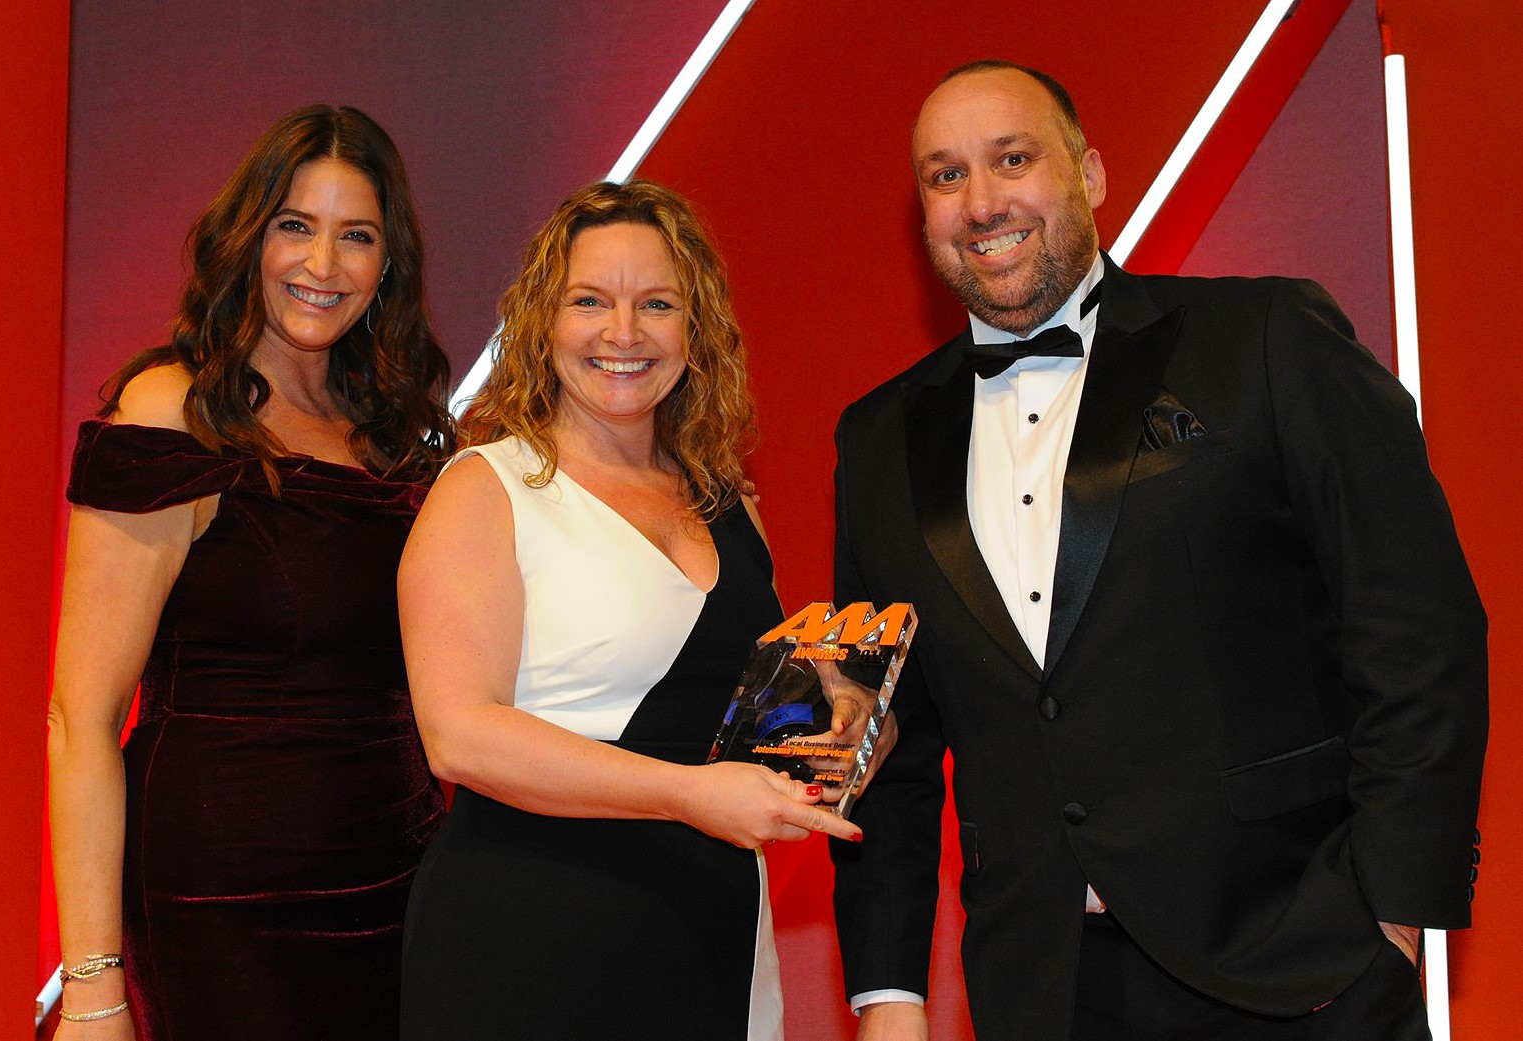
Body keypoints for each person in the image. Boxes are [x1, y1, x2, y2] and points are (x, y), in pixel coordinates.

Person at [830, 60, 1486, 1041]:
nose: (980, 202)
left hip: (1295, 969)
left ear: (1087, 174)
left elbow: (1415, 631)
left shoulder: (1264, 338)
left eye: (1011, 159)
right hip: (1041, 993)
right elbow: (887, 739)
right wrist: (888, 997)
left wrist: (1388, 921)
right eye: (944, 176)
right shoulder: (875, 439)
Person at [398, 179, 862, 1041]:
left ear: (696, 329)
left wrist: (838, 718)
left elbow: (747, 719)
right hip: (530, 940)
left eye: (657, 303)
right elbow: (458, 734)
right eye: (590, 301)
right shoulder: (485, 487)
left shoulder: (731, 502)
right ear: (543, 322)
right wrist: (686, 795)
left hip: (712, 932)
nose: (623, 333)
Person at [46, 104, 455, 1040]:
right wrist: (93, 987)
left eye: (356, 236)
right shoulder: (171, 409)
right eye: (295, 226)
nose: (322, 265)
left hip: (402, 879)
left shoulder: (398, 439)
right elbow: (82, 717)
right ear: (249, 235)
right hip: (222, 902)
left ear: (387, 264)